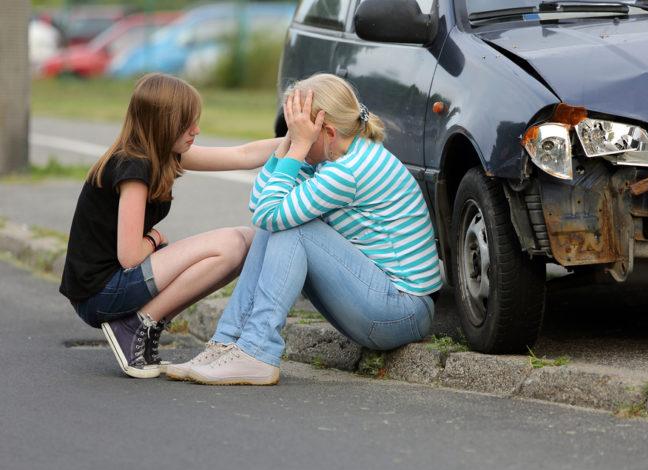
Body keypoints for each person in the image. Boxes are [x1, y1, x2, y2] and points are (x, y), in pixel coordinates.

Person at [168, 73, 443, 385]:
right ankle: (228, 342)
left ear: (325, 131)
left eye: (299, 130)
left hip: (403, 312)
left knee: (292, 228)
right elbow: (262, 210)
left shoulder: (347, 172)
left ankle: (257, 351)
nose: (293, 136)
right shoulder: (333, 155)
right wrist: (291, 146)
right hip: (384, 302)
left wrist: (296, 150)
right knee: (276, 226)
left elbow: (270, 213)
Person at [59, 73, 280, 379]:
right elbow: (130, 256)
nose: (197, 130)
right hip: (100, 294)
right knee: (232, 242)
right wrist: (154, 238)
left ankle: (143, 323)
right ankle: (135, 325)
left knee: (243, 243)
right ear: (163, 124)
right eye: (188, 123)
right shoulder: (133, 167)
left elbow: (241, 155)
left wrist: (299, 140)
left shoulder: (161, 154)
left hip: (114, 285)